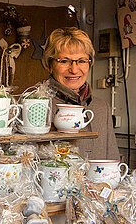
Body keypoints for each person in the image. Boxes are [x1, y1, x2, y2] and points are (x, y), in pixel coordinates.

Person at [42, 27, 120, 160]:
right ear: (49, 66)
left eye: (82, 61)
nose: (74, 69)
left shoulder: (101, 108)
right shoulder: (36, 105)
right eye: (64, 61)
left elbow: (112, 159)